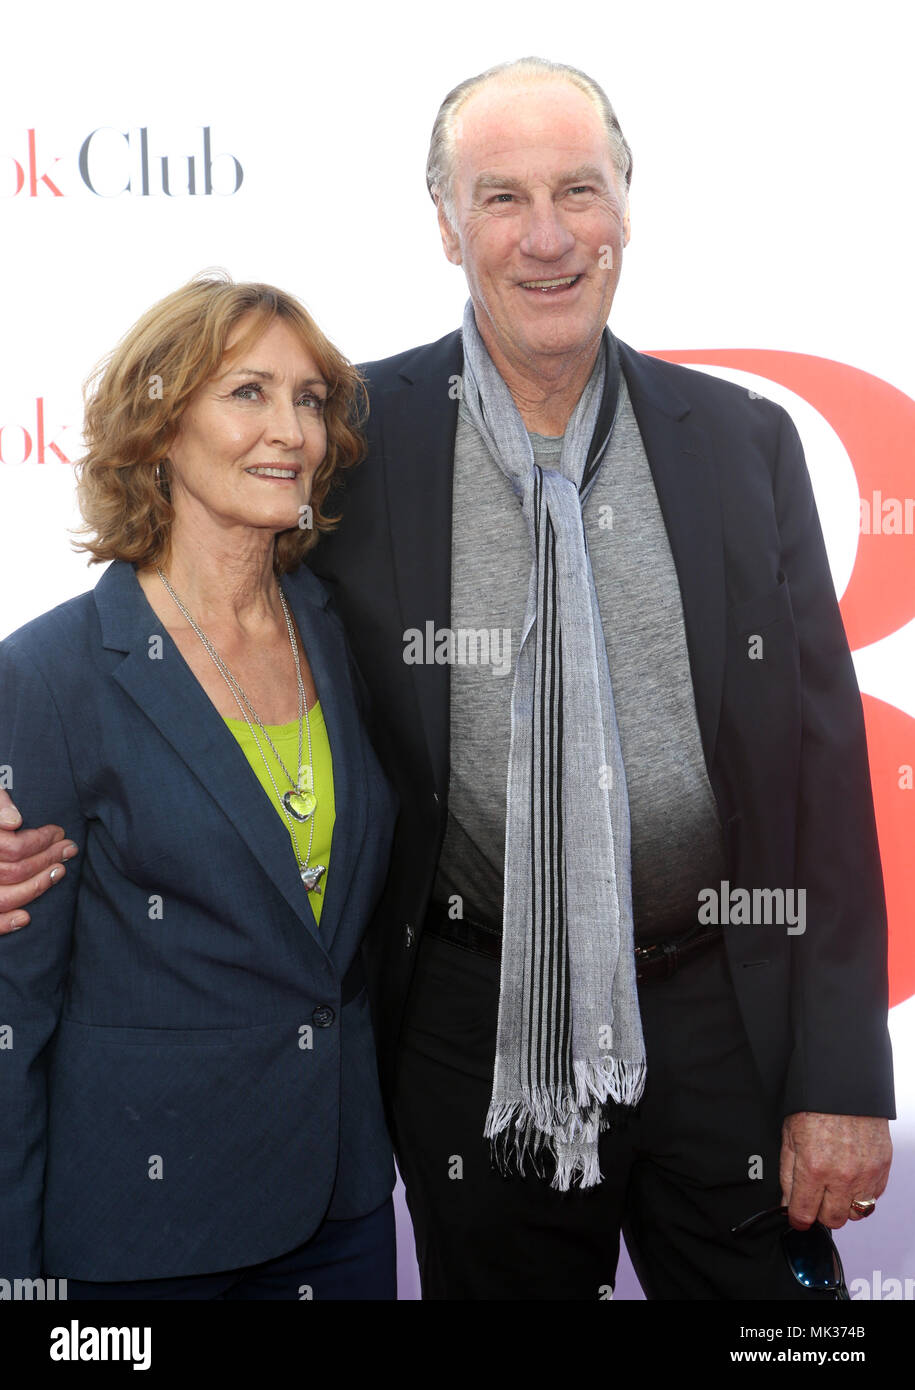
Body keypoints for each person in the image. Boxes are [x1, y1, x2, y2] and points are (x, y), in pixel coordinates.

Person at [0, 58, 895, 1301]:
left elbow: (825, 780)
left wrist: (842, 1080)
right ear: (444, 222)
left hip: (724, 1015)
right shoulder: (355, 440)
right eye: (500, 197)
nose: (545, 237)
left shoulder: (742, 443)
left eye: (578, 191)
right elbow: (180, 628)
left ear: (627, 208)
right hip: (469, 1029)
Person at [0, 274, 398, 1299]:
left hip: (342, 1207)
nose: (292, 430)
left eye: (309, 399)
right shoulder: (54, 672)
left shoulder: (351, 634)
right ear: (161, 423)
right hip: (146, 1232)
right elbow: (13, 1010)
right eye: (248, 392)